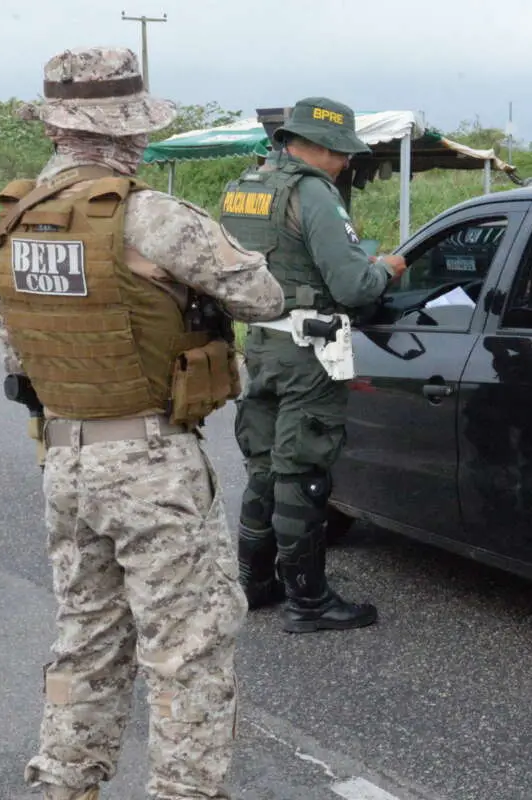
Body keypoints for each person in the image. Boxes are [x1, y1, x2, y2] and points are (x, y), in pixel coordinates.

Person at [0, 46, 285, 800]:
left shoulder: (9, 225)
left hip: (65, 458)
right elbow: (264, 296)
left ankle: (64, 787)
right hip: (150, 462)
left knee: (86, 641)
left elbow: (12, 345)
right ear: (129, 134)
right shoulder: (150, 215)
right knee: (189, 649)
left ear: (57, 129)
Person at [218, 97, 407, 633]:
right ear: (320, 147)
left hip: (260, 342)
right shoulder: (313, 193)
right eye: (342, 153)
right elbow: (351, 285)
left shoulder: (246, 187)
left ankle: (253, 583)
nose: (346, 164)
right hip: (308, 350)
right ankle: (310, 601)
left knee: (265, 465)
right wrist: (387, 269)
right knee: (302, 472)